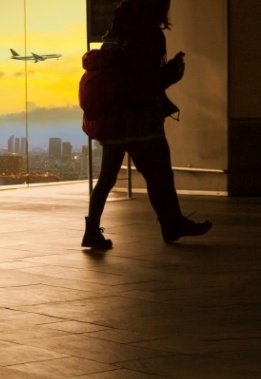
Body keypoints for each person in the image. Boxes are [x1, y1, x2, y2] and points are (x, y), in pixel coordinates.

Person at [81, 0, 211, 249]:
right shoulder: (150, 35)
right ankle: (172, 224)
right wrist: (173, 70)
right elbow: (148, 81)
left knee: (107, 177)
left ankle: (91, 231)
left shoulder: (113, 36)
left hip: (113, 118)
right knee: (159, 173)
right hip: (141, 119)